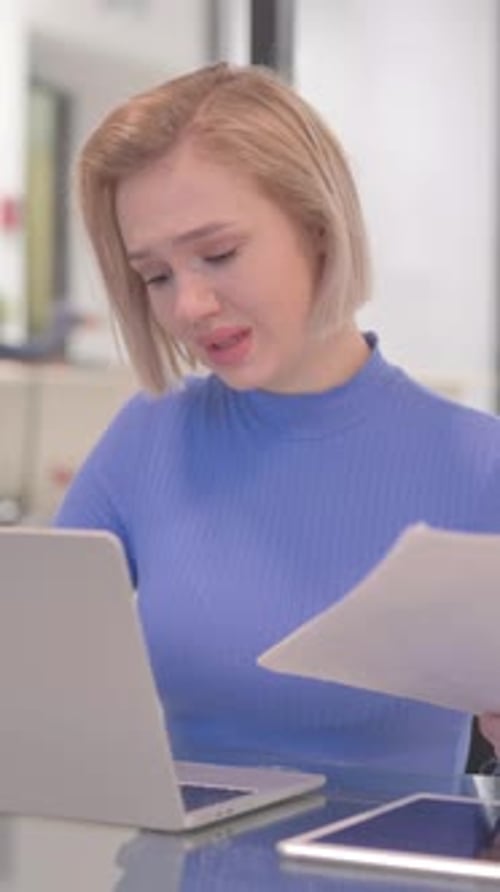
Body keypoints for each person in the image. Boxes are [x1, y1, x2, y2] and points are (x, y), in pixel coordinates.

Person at [55, 62, 500, 775]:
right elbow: (36, 669)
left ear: (318, 228)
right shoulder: (146, 439)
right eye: (156, 276)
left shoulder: (479, 466)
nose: (187, 307)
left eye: (219, 254)